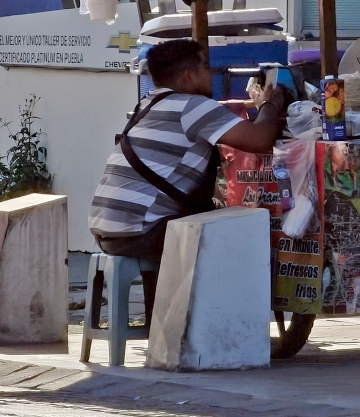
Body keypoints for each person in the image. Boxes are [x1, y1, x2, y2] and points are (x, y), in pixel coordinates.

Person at [88, 39, 285, 325]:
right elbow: (259, 140)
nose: (211, 73)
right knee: (242, 232)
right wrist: (271, 102)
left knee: (204, 222)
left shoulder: (148, 104)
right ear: (188, 76)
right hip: (141, 229)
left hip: (108, 227)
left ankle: (166, 324)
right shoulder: (192, 107)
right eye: (205, 67)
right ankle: (225, 328)